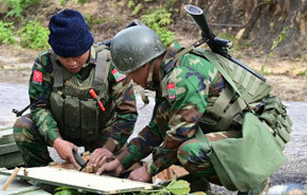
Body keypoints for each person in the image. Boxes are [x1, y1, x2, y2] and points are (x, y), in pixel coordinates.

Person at [97, 25, 291, 194]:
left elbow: (179, 134)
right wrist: (122, 161)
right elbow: (158, 128)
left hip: (259, 135)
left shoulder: (182, 77)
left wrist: (148, 170)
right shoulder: (166, 73)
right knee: (170, 148)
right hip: (238, 130)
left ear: (144, 65)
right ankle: (197, 188)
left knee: (187, 151)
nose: (130, 79)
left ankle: (254, 180)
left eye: (130, 72)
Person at [13, 9, 138, 169]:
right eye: (65, 57)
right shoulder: (45, 63)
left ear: (87, 47)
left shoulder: (110, 62)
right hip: (62, 130)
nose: (72, 63)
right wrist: (56, 140)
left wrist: (108, 148)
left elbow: (127, 113)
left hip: (101, 133)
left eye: (78, 56)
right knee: (23, 127)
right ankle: (42, 176)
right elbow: (39, 107)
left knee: (113, 172)